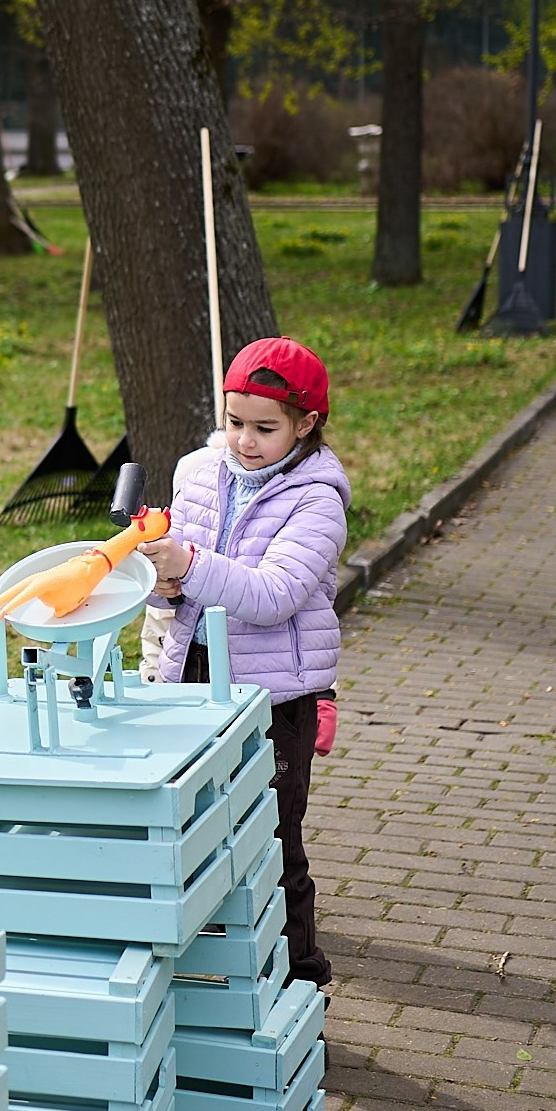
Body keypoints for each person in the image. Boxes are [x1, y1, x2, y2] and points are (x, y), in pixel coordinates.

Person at [139, 338, 346, 991]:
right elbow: (176, 585)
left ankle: (300, 987)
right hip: (192, 678)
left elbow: (273, 595)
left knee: (271, 842)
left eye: (265, 427)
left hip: (273, 700)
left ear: (305, 424)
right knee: (192, 826)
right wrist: (161, 583)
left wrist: (189, 565)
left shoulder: (317, 500)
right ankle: (215, 974)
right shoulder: (199, 472)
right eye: (234, 422)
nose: (245, 441)